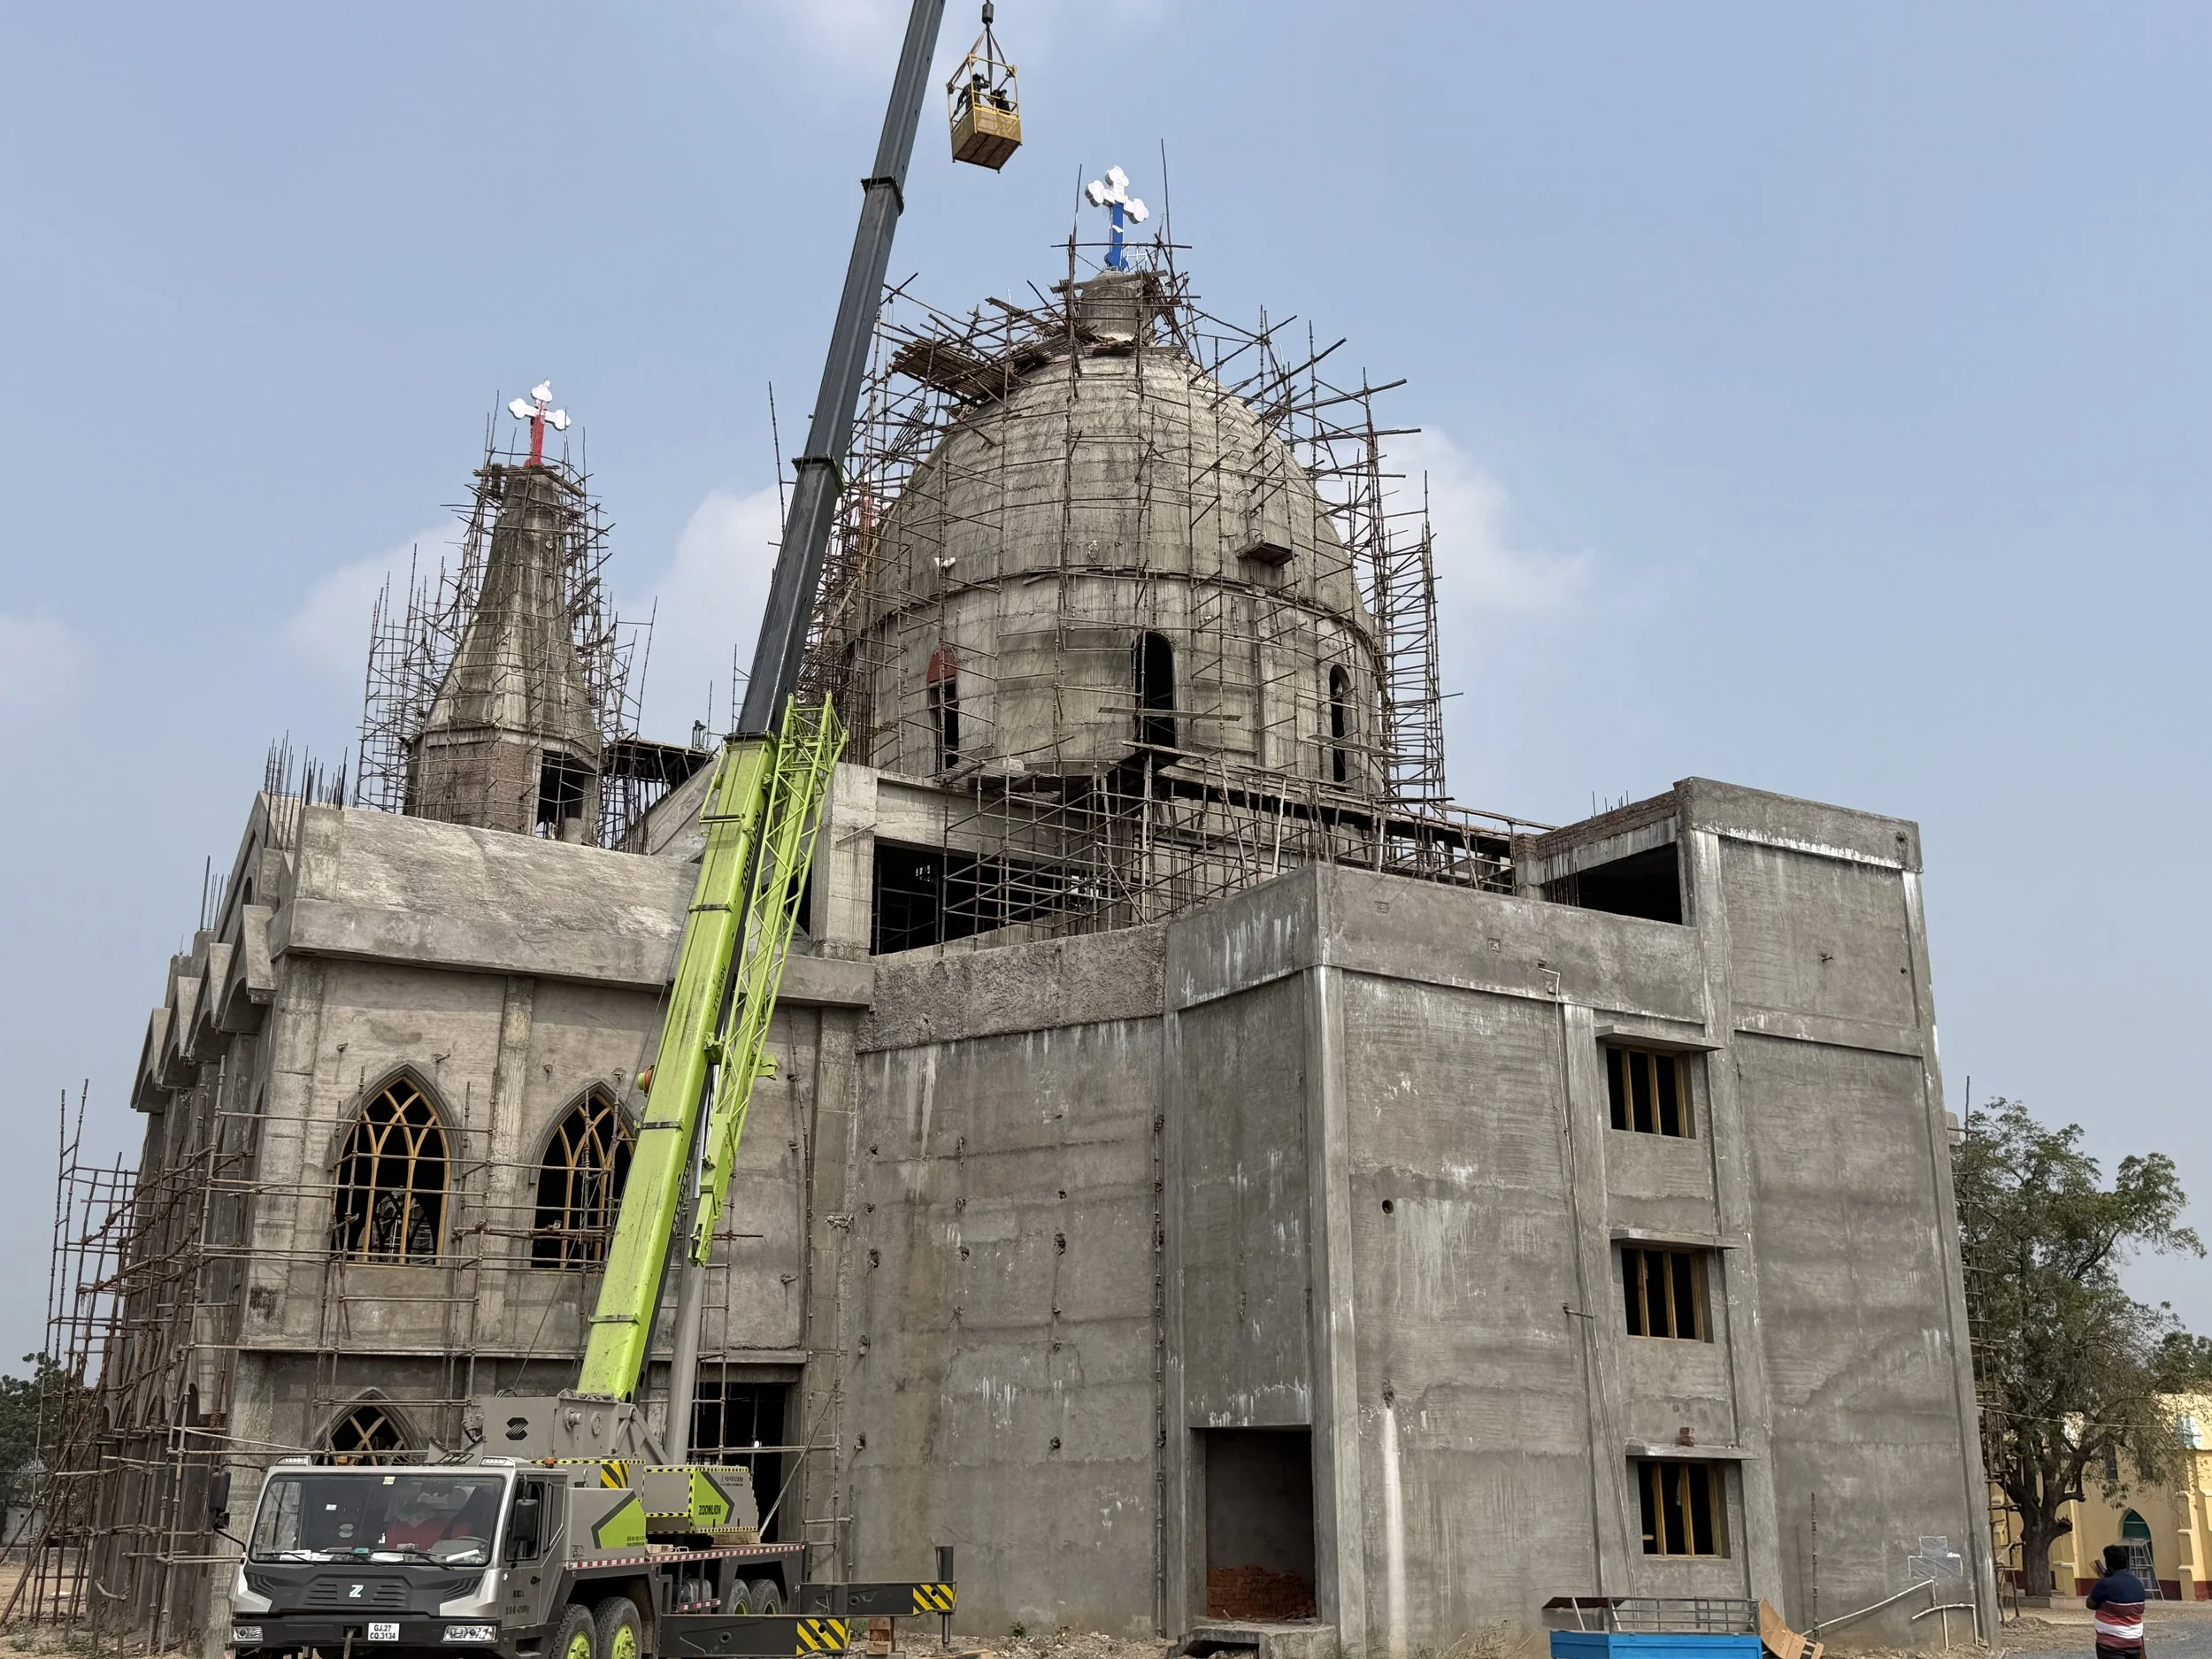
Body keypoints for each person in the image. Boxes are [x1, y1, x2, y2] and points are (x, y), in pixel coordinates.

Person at [2089, 1543, 2147, 1659]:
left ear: (2108, 1564)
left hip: (2111, 1645)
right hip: (2135, 1642)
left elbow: (2090, 1604)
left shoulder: (2106, 1583)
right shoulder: (2137, 1583)